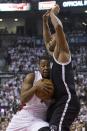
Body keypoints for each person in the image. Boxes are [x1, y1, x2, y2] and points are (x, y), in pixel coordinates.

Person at [41, 4, 80, 131]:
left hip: (67, 100)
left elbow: (58, 27)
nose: (49, 41)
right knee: (44, 126)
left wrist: (52, 13)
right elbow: (47, 42)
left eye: (53, 38)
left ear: (58, 39)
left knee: (56, 128)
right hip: (58, 102)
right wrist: (44, 22)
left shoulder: (63, 53)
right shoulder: (54, 55)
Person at [6, 56, 54, 131]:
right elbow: (23, 99)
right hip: (24, 116)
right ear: (39, 67)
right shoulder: (32, 77)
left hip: (39, 118)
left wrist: (48, 99)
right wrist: (35, 87)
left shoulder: (54, 80)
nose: (46, 68)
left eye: (48, 65)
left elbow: (55, 101)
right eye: (43, 66)